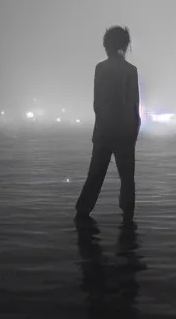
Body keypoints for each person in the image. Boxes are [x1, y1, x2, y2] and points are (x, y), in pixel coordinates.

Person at [74, 25, 141, 223]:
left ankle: (82, 214)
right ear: (125, 45)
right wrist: (134, 130)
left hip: (104, 131)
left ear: (107, 46)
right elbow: (134, 104)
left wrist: (103, 125)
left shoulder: (101, 68)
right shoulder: (131, 71)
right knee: (127, 181)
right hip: (126, 133)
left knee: (94, 176)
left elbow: (97, 103)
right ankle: (127, 220)